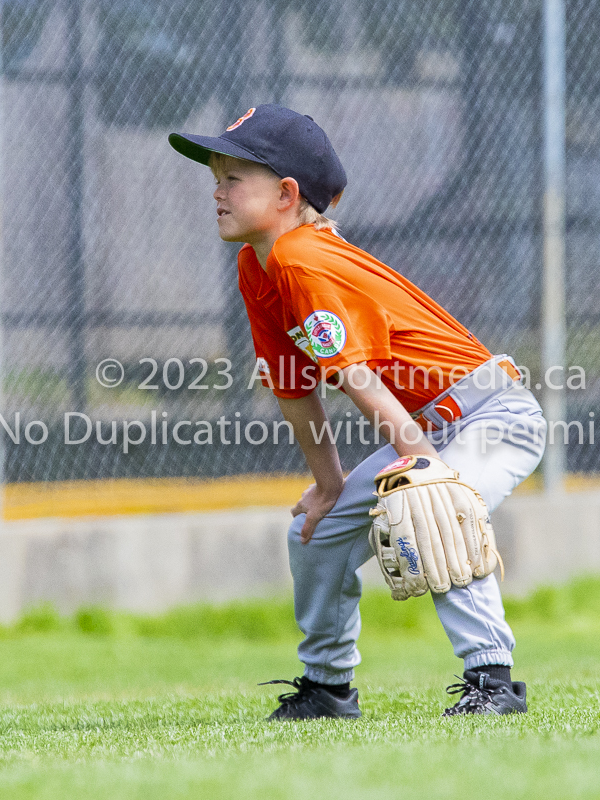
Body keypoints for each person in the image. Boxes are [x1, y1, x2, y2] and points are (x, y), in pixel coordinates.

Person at [169, 104, 546, 719]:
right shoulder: (260, 266)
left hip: (490, 416)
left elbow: (358, 379)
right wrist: (327, 484)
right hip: (432, 425)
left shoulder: (303, 260)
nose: (217, 191)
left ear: (287, 194)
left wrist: (423, 468)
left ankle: (492, 682)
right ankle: (327, 688)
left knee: (431, 508)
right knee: (314, 533)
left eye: (234, 177)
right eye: (216, 176)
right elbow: (294, 384)